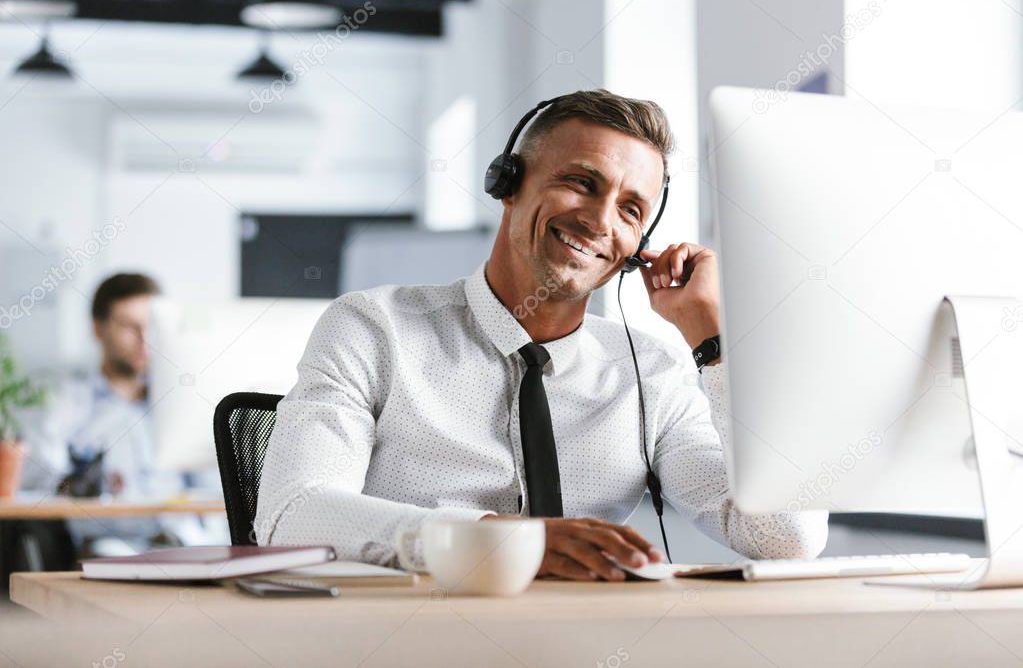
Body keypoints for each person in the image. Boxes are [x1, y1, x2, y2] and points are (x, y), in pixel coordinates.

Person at [255, 89, 828, 581]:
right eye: (582, 182)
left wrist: (716, 345)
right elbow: (291, 514)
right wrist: (494, 541)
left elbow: (787, 537)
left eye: (631, 210)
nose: (601, 221)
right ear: (508, 183)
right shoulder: (375, 329)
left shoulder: (650, 374)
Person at [20, 273, 221, 557]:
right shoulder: (69, 402)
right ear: (99, 329)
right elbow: (36, 482)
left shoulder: (179, 401)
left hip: (185, 543)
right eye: (129, 326)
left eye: (152, 325)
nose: (144, 338)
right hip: (112, 547)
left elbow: (215, 489)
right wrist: (78, 483)